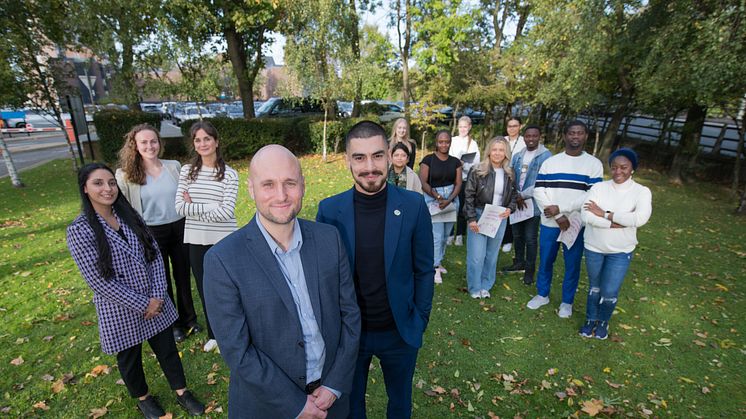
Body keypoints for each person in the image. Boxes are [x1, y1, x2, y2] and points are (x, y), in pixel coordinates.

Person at [203, 145, 361, 418]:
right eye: (268, 185)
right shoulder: (223, 260)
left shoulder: (329, 239)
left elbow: (350, 316)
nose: (281, 195)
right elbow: (237, 350)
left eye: (290, 183)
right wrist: (297, 405)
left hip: (331, 400)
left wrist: (334, 384)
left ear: (303, 184)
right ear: (251, 190)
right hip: (268, 406)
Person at [66, 163, 205, 418]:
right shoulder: (79, 230)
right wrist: (144, 304)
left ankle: (182, 391)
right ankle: (143, 399)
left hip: (156, 299)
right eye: (98, 183)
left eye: (111, 183)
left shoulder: (130, 216)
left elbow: (155, 257)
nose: (107, 188)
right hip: (119, 307)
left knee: (168, 350)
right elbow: (99, 281)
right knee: (129, 358)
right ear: (85, 188)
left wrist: (157, 295)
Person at [316, 121, 434, 419]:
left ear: (390, 154)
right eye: (359, 157)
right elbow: (323, 278)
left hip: (400, 331)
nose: (370, 166)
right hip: (350, 335)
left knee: (400, 405)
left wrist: (419, 319)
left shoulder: (413, 205)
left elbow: (423, 270)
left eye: (377, 155)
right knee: (351, 408)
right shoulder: (329, 211)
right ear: (348, 160)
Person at [115, 124, 200, 344]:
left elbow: (187, 193)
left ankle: (190, 319)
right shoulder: (125, 175)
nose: (150, 146)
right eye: (144, 142)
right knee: (162, 281)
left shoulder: (174, 167)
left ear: (159, 143)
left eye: (153, 141)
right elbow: (121, 208)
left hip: (180, 227)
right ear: (135, 145)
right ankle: (173, 325)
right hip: (151, 232)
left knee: (182, 276)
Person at [527, 120, 603, 318]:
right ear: (564, 136)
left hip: (576, 224)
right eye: (571, 133)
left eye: (579, 133)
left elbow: (591, 195)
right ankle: (542, 294)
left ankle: (566, 302)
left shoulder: (594, 165)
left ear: (586, 136)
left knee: (572, 264)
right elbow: (538, 190)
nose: (575, 136)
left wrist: (563, 209)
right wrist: (558, 215)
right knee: (545, 261)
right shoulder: (551, 162)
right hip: (550, 222)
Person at [175, 121, 238, 353]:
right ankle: (215, 335)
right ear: (194, 144)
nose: (203, 143)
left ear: (216, 142)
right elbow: (180, 207)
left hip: (224, 240)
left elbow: (226, 212)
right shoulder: (186, 172)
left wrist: (198, 206)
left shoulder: (230, 174)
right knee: (205, 289)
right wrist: (212, 205)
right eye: (198, 140)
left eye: (207, 139)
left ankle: (232, 332)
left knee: (227, 288)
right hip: (196, 239)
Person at [579, 148, 652, 339]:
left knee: (609, 291)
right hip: (594, 247)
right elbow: (586, 215)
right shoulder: (599, 188)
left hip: (620, 251)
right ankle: (590, 320)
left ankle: (603, 322)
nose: (618, 171)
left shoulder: (641, 192)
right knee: (594, 287)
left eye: (624, 167)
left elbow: (640, 219)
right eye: (614, 167)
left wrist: (604, 214)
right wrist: (616, 223)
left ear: (632, 169)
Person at [464, 138, 517, 299]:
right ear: (489, 151)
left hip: (499, 217)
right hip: (480, 215)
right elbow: (468, 195)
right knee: (476, 256)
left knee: (491, 255)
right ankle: (475, 287)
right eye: (494, 149)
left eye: (501, 150)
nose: (498, 153)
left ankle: (486, 285)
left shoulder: (510, 172)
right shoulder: (477, 170)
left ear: (506, 153)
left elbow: (514, 195)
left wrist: (510, 209)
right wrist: (471, 218)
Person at [502, 125, 553, 285]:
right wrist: (515, 194)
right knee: (517, 235)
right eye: (528, 136)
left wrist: (522, 195)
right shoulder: (518, 155)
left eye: (534, 136)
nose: (531, 139)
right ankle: (519, 262)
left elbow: (542, 181)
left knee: (530, 238)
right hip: (516, 201)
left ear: (539, 137)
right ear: (524, 137)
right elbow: (511, 175)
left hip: (533, 203)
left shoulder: (546, 156)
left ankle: (530, 270)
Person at [420, 130, 463, 283]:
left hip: (451, 199)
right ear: (436, 142)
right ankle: (434, 266)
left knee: (446, 235)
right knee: (436, 236)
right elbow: (423, 182)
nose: (444, 144)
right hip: (434, 199)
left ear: (450, 142)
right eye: (441, 141)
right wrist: (438, 197)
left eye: (447, 141)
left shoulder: (455, 162)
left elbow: (459, 183)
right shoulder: (428, 160)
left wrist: (450, 199)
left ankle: (439, 260)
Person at [448, 116, 480, 246]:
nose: (462, 129)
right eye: (460, 126)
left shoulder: (472, 143)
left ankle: (460, 234)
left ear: (469, 127)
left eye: (465, 127)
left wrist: (463, 164)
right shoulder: (452, 140)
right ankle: (449, 234)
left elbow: (476, 163)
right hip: (451, 178)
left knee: (462, 207)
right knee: (451, 207)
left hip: (466, 178)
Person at [500, 117, 526, 254]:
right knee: (500, 206)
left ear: (520, 127)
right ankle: (498, 236)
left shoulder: (523, 142)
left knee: (510, 208)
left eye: (515, 126)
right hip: (501, 175)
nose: (512, 128)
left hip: (516, 177)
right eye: (509, 126)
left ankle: (509, 240)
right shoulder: (502, 140)